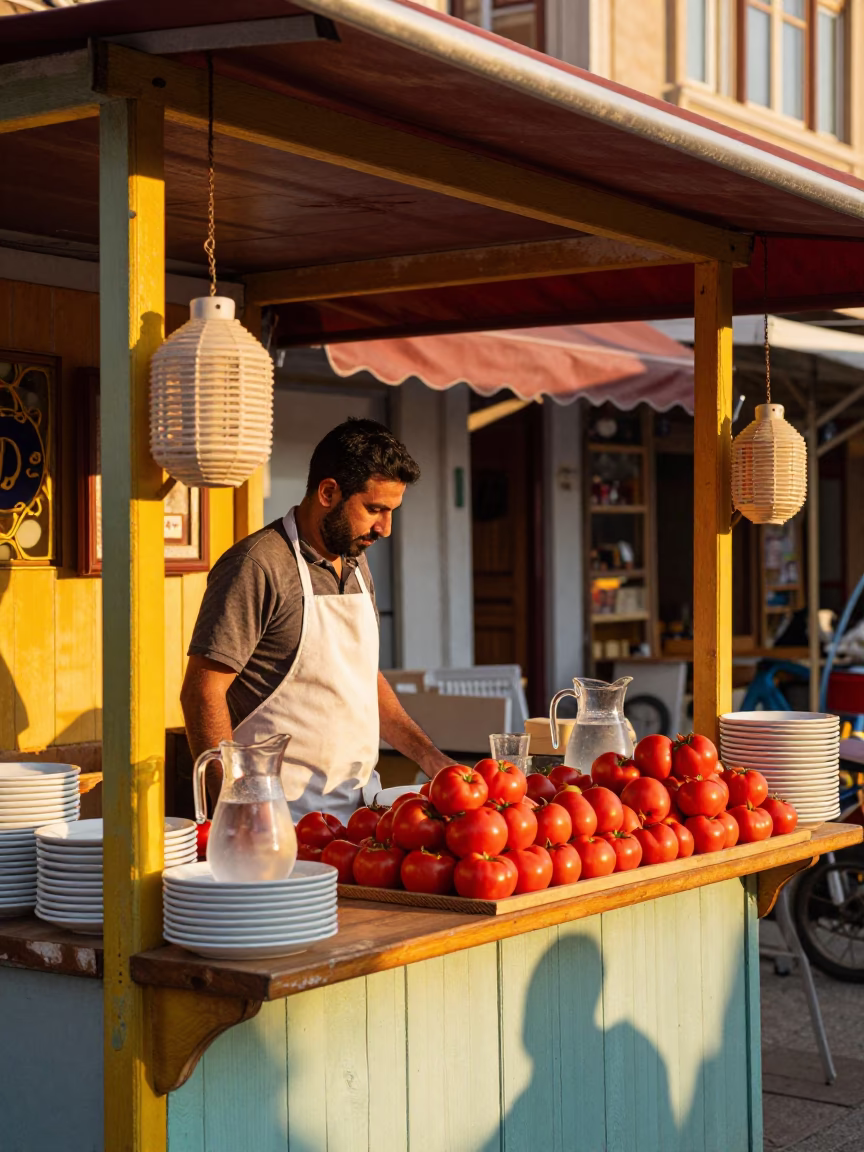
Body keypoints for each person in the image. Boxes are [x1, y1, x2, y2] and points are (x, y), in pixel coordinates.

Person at [181, 418, 451, 824]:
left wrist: (431, 758)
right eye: (375, 509)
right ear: (328, 492)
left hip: (360, 816)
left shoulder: (357, 565)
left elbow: (360, 679)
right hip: (279, 820)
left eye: (391, 511)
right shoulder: (257, 565)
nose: (386, 528)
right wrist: (235, 810)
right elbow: (202, 693)